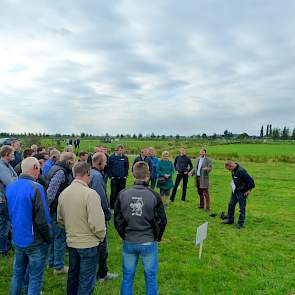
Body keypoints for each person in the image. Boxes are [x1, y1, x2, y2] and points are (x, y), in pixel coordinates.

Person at [114, 161, 167, 295]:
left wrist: (124, 235)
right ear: (148, 176)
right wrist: (156, 237)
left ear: (133, 174)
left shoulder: (123, 193)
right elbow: (162, 221)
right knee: (150, 277)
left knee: (127, 277)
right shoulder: (154, 195)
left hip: (130, 240)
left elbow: (117, 220)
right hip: (147, 241)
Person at [57, 161, 106, 295]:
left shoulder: (64, 193)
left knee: (73, 277)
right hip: (88, 243)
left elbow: (60, 220)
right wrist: (101, 237)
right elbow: (97, 224)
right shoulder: (90, 194)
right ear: (87, 174)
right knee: (86, 281)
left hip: (72, 241)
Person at [6, 157, 51, 294]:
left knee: (17, 273)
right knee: (35, 278)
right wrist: (49, 238)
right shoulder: (37, 188)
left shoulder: (10, 186)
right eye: (39, 170)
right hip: (34, 240)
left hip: (17, 237)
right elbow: (43, 219)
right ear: (35, 168)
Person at [89, 152, 117, 282]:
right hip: (98, 215)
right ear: (99, 162)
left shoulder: (90, 173)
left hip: (89, 214)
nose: (106, 164)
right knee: (102, 247)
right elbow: (101, 198)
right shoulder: (97, 176)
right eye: (105, 161)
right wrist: (107, 215)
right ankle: (102, 274)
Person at [46, 152, 75, 274]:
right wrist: (47, 207)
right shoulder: (61, 172)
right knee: (59, 237)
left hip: (53, 209)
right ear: (68, 161)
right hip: (56, 210)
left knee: (53, 237)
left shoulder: (54, 167)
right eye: (73, 162)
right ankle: (58, 266)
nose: (73, 164)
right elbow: (51, 192)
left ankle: (51, 262)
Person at [222, 161, 255, 228]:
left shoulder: (241, 171)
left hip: (242, 192)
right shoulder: (233, 170)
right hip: (235, 191)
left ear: (231, 166)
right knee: (231, 204)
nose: (229, 171)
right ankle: (230, 219)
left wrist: (249, 190)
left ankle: (240, 223)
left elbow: (251, 181)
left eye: (229, 169)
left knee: (241, 208)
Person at [0, 145, 17, 255]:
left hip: (5, 198)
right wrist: (14, 179)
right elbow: (11, 183)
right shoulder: (2, 166)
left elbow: (16, 177)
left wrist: (14, 179)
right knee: (4, 225)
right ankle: (2, 250)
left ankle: (5, 246)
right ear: (6, 154)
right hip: (2, 200)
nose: (14, 155)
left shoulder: (7, 165)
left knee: (6, 224)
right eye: (12, 153)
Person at [108, 144, 129, 210]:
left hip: (122, 179)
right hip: (114, 178)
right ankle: (112, 207)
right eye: (119, 150)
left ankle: (120, 206)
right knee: (113, 193)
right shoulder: (111, 157)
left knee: (121, 193)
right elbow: (109, 167)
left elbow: (126, 167)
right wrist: (111, 176)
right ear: (116, 150)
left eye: (122, 150)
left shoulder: (125, 158)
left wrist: (125, 175)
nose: (120, 151)